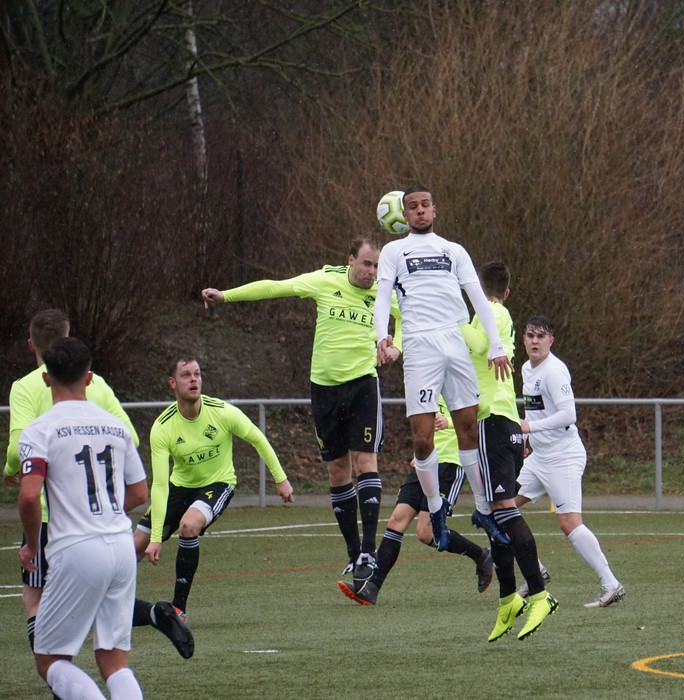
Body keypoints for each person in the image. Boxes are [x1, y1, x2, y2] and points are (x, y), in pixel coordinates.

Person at [201, 235, 400, 585]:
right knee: (337, 471)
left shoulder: (384, 292)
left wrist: (396, 346)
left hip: (363, 385)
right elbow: (276, 287)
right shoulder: (325, 280)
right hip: (324, 388)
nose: (372, 272)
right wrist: (226, 296)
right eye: (367, 264)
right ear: (351, 260)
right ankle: (355, 555)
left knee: (365, 462)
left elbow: (412, 319)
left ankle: (369, 552)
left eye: (377, 266)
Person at [3, 309, 193, 661]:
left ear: (32, 346)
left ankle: (53, 672)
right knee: (103, 602)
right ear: (69, 339)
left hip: (51, 515)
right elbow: (130, 437)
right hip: (102, 514)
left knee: (36, 597)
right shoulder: (96, 383)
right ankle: (154, 613)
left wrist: (11, 467)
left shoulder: (26, 386)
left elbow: (18, 448)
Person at [372, 185, 512, 554]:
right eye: (412, 207)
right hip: (421, 344)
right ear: (404, 215)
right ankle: (435, 509)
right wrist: (382, 335)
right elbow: (383, 295)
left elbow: (478, 298)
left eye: (425, 205)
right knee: (422, 439)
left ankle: (483, 510)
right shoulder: (394, 252)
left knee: (468, 429)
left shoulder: (454, 251)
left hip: (455, 340)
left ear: (435, 210)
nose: (419, 211)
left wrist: (497, 346)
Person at [17, 337, 148, 699]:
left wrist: (32, 545)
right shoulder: (117, 426)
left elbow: (28, 495)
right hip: (121, 546)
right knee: (113, 660)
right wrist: (104, 515)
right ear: (89, 378)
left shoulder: (40, 429)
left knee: (49, 659)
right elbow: (140, 492)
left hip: (76, 549)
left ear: (46, 378)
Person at [134, 357, 294, 618]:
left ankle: (178, 609)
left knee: (188, 526)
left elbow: (257, 438)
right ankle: (108, 605)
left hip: (217, 484)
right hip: (178, 487)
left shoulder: (221, 412)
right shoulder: (163, 427)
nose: (193, 379)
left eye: (197, 374)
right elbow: (161, 485)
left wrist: (281, 478)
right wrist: (154, 539)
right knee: (133, 547)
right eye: (186, 375)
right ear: (172, 383)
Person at [463, 263, 556, 641]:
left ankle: (540, 594)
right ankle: (506, 600)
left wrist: (452, 320)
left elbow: (478, 345)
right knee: (493, 514)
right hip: (502, 422)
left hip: (495, 421)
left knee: (503, 510)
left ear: (476, 288)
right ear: (507, 290)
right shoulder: (499, 313)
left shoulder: (492, 313)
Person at [515, 315, 625, 609]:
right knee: (499, 508)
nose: (535, 341)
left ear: (551, 341)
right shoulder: (526, 368)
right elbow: (536, 411)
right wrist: (527, 438)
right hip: (539, 458)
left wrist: (529, 427)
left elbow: (568, 415)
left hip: (563, 456)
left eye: (541, 336)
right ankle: (535, 571)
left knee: (569, 523)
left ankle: (611, 584)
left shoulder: (554, 371)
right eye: (530, 335)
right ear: (523, 339)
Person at [337, 399, 494, 605]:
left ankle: (481, 555)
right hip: (424, 463)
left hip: (450, 463)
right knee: (396, 520)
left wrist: (449, 422)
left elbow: (483, 414)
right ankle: (371, 588)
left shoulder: (462, 386)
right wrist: (419, 454)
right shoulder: (429, 388)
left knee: (426, 533)